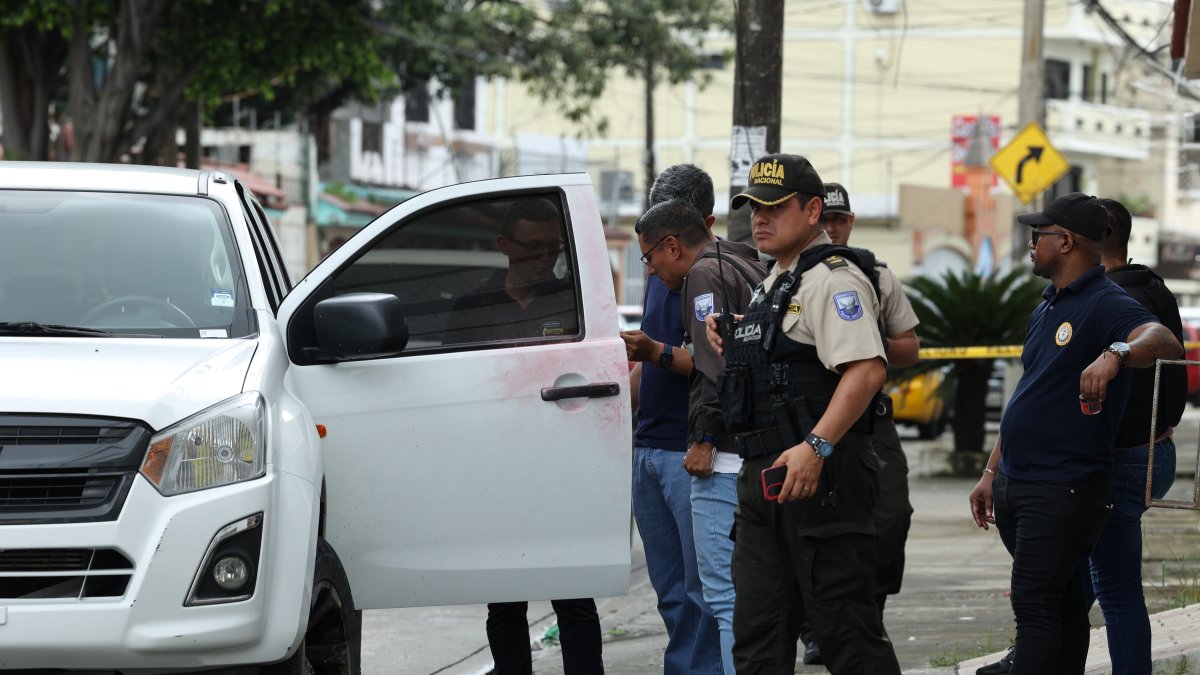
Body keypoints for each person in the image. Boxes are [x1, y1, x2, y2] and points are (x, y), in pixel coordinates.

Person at [967, 192, 1181, 675]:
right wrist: (991, 472)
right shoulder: (1047, 304)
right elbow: (1031, 393)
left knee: (1037, 606)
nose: (1030, 244)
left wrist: (1117, 354)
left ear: (1065, 242)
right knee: (1063, 607)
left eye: (1037, 235)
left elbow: (1163, 340)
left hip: (1061, 485)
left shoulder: (1107, 300)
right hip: (1020, 479)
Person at [707, 153, 901, 675]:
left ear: (813, 211)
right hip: (765, 480)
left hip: (822, 480)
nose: (759, 218)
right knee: (758, 639)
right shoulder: (775, 280)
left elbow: (867, 369)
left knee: (847, 638)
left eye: (774, 207)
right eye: (754, 208)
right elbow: (786, 360)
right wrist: (739, 337)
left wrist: (817, 447)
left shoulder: (834, 279)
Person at [446, 197, 603, 675]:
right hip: (496, 470)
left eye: (552, 247)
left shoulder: (574, 302)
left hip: (563, 466)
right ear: (504, 245)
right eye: (532, 247)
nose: (544, 257)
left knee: (574, 597)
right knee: (504, 600)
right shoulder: (471, 307)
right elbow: (451, 384)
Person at [633, 195, 768, 675]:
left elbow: (715, 370)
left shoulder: (704, 275)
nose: (651, 271)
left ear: (672, 246)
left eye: (649, 258)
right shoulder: (742, 262)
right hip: (751, 452)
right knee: (742, 595)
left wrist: (704, 439)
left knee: (721, 596)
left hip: (723, 458)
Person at [787, 182, 919, 665]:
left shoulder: (874, 275)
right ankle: (815, 629)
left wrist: (866, 335)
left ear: (850, 222)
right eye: (825, 219)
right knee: (808, 525)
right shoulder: (787, 277)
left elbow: (909, 348)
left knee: (890, 517)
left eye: (839, 220)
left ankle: (867, 612)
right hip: (804, 422)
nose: (832, 228)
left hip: (868, 421)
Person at [620, 164, 723, 675]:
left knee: (704, 590)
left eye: (665, 244)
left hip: (692, 451)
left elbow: (714, 362)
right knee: (670, 590)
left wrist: (656, 352)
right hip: (649, 446)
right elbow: (649, 357)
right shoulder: (660, 271)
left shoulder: (712, 274)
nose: (659, 257)